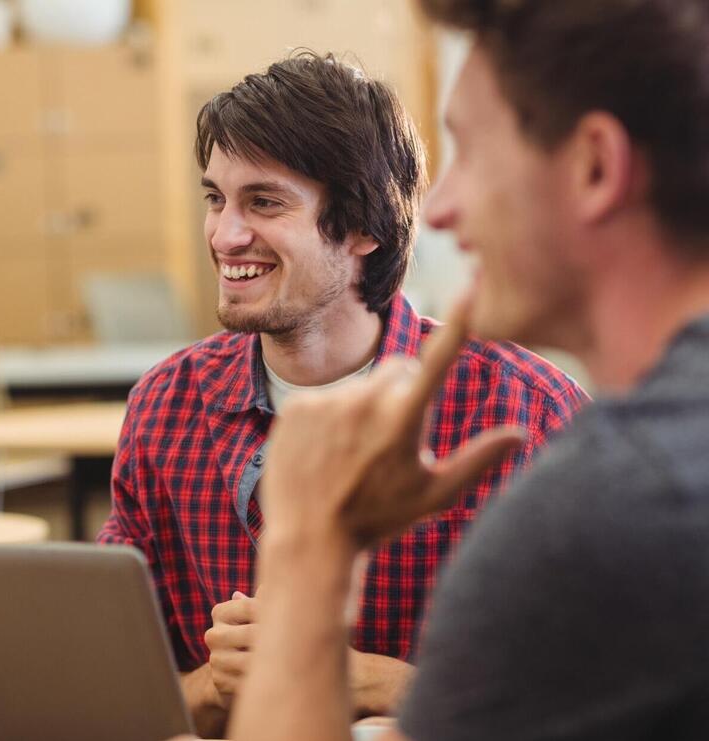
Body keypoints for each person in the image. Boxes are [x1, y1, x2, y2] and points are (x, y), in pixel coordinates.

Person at [228, 1, 709, 740]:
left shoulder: (606, 504)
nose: (442, 208)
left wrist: (307, 551)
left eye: (472, 153)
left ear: (595, 167)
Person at [98, 52, 586, 736]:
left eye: (263, 202)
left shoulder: (522, 408)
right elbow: (107, 691)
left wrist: (373, 678)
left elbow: (603, 692)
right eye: (215, 198)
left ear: (365, 227)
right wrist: (213, 683)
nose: (223, 234)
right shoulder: (166, 406)